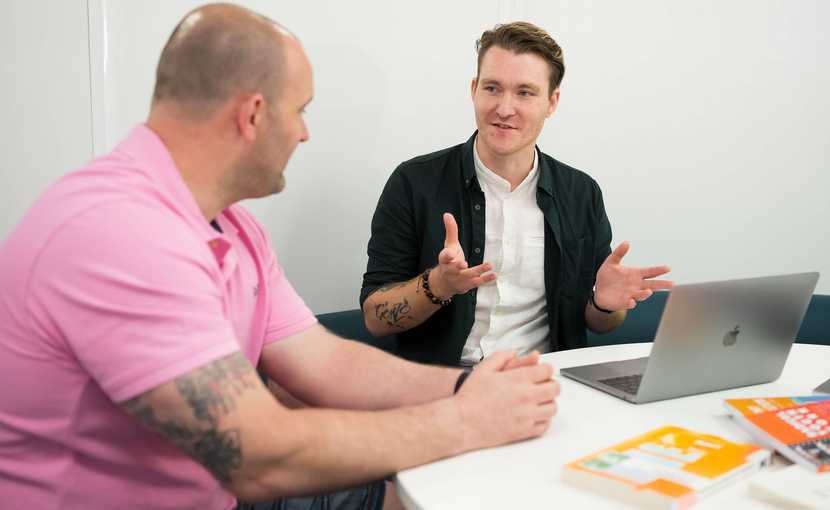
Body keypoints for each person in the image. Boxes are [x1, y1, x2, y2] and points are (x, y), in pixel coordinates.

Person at [0, 5, 560, 510]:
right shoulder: (119, 231)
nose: (304, 133)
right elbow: (253, 453)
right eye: (300, 110)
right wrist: (463, 420)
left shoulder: (234, 227)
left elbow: (327, 364)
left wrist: (470, 388)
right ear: (252, 115)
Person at [361, 22, 673, 366]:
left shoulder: (581, 193)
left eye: (525, 92)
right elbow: (375, 319)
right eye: (493, 88)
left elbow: (601, 324)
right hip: (445, 386)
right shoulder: (413, 182)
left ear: (551, 102)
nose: (505, 108)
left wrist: (604, 303)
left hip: (548, 384)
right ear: (474, 89)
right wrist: (438, 284)